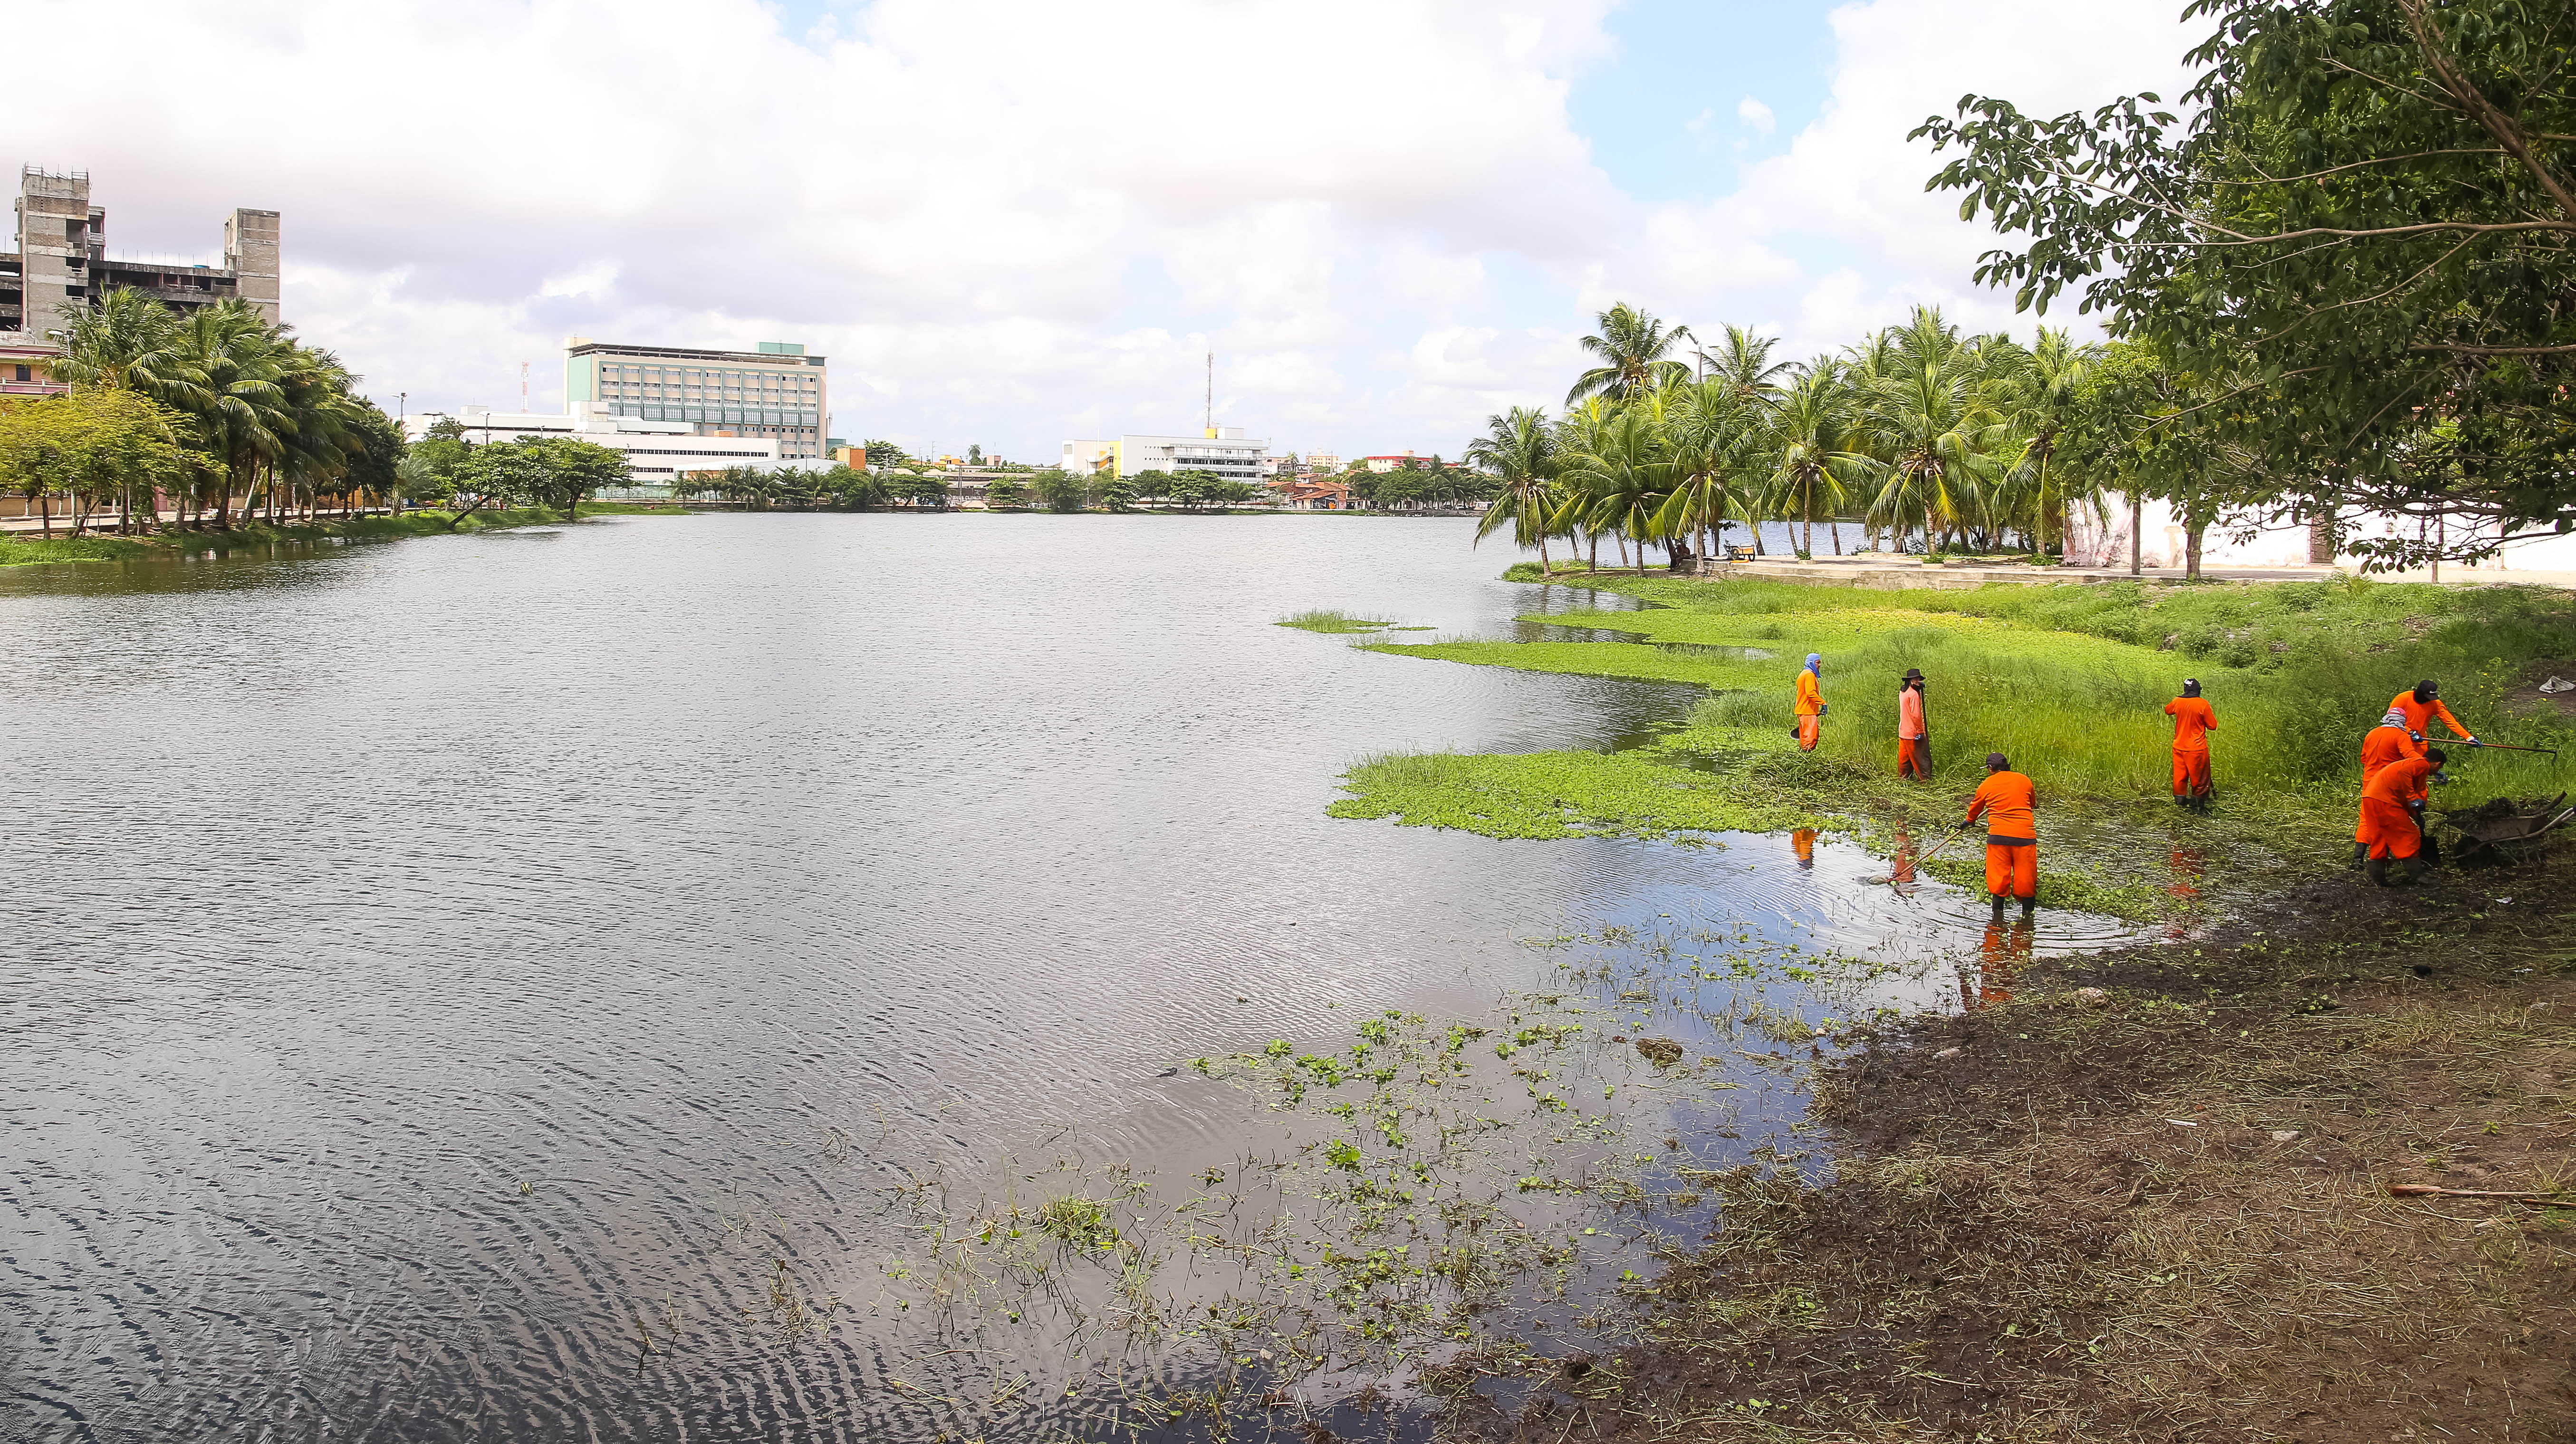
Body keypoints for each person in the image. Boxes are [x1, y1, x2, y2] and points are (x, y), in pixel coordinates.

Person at [2356, 748, 2448, 886]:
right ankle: (2418, 876)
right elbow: (2404, 775)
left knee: (2380, 836)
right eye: (2440, 767)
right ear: (2438, 764)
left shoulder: (2412, 766)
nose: (2438, 770)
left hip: (2371, 798)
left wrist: (2415, 815)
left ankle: (2379, 879)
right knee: (2409, 834)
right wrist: (2413, 799)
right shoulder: (2422, 764)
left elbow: (2403, 797)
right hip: (2385, 800)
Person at [1963, 751, 2038, 918]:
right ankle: (2027, 920)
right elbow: (2032, 803)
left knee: (1999, 880)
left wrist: (1968, 821)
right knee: (2026, 881)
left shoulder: (1986, 785)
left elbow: (1975, 809)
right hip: (2025, 838)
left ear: (1991, 768)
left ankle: (1997, 923)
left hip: (1998, 838)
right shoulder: (2024, 780)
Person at [2353, 706, 2429, 866]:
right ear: (2403, 722)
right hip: (2388, 784)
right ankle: (2404, 856)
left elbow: (2363, 758)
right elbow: (2411, 757)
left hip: (2369, 783)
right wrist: (2426, 765)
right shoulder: (2401, 736)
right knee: (2394, 818)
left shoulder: (2371, 734)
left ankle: (2358, 859)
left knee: (2367, 819)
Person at [2163, 678, 2217, 812]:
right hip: (2196, 748)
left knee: (2180, 776)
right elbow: (2213, 726)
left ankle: (2180, 802)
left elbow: (2168, 710)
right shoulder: (2202, 704)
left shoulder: (2177, 701)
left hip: (2178, 747)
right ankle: (2197, 805)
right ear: (2198, 690)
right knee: (2200, 778)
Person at [2388, 679, 2477, 746]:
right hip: (2399, 739)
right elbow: (2391, 720)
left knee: (2422, 766)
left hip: (2420, 741)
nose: (2429, 700)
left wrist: (2469, 738)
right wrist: (2410, 732)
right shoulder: (2402, 699)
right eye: (2428, 697)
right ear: (2420, 694)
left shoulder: (2435, 703)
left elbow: (2451, 722)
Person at [1897, 668, 1931, 779]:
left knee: (1905, 760)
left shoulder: (1903, 692)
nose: (1918, 681)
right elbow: (1916, 715)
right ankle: (1925, 781)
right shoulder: (1914, 695)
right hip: (1913, 733)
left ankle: (1904, 779)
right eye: (1915, 679)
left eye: (1919, 679)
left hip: (1903, 731)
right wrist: (1920, 731)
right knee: (1921, 760)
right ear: (1910, 680)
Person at [1794, 653, 1826, 752]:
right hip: (1807, 711)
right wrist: (1823, 703)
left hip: (1804, 710)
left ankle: (1803, 758)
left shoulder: (1804, 673)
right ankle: (1806, 759)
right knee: (1810, 738)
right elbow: (1810, 693)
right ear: (1811, 663)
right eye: (1818, 663)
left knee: (1805, 738)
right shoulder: (1809, 675)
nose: (1819, 665)